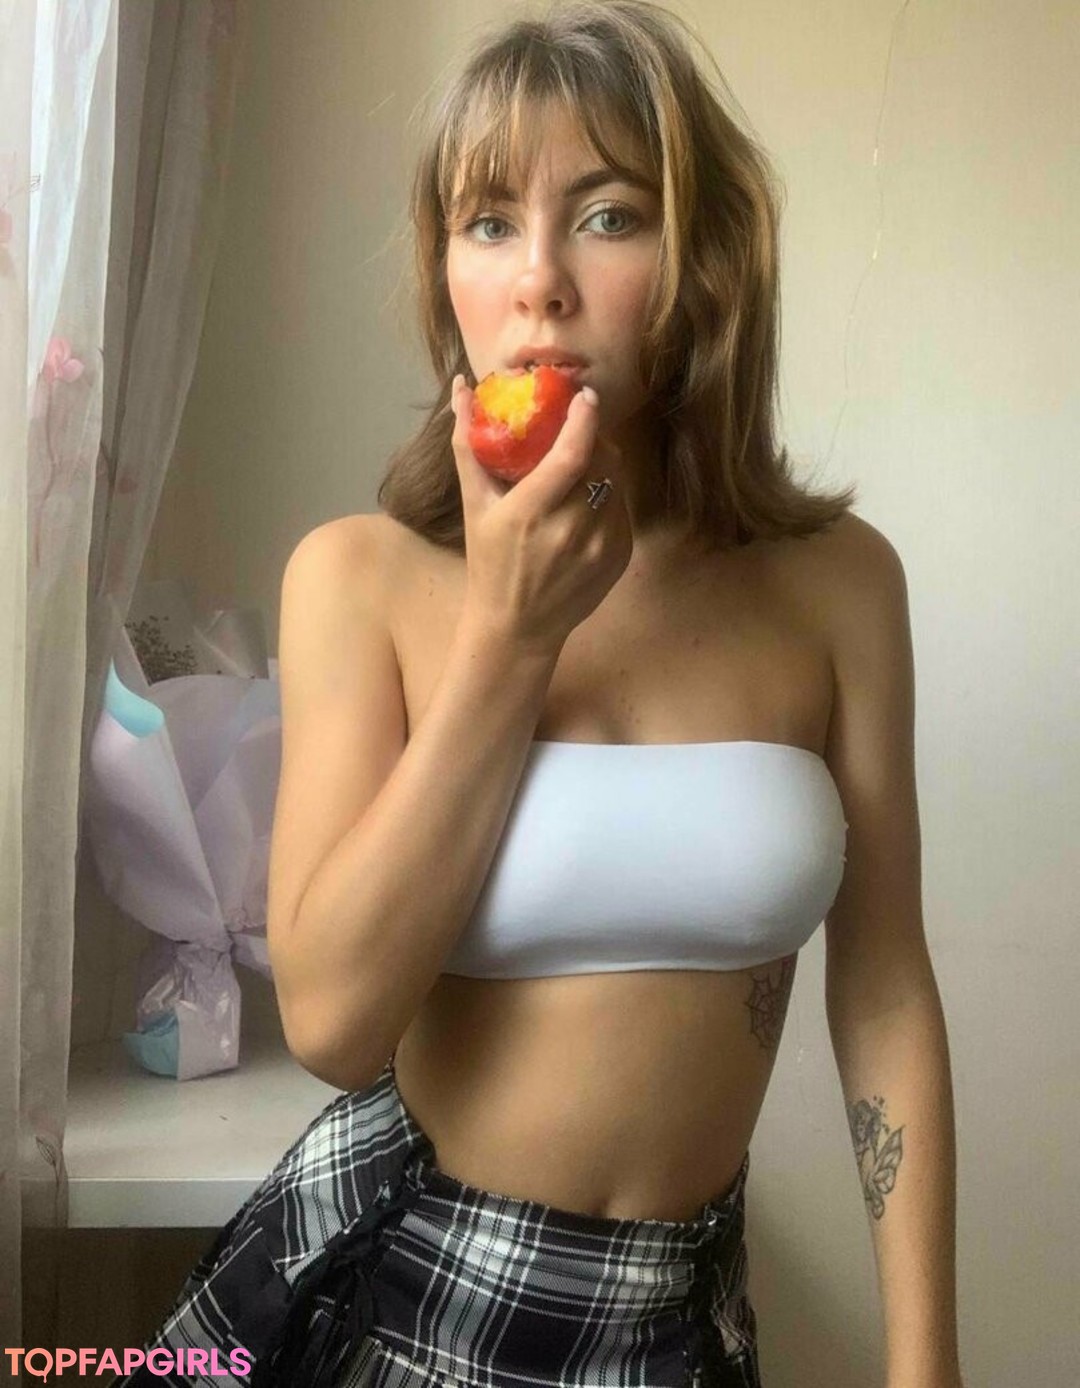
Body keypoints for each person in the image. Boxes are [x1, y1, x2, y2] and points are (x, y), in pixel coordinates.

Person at [114, 2, 963, 1385]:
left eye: (610, 216)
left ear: (706, 260)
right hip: (407, 1292)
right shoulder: (359, 578)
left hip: (683, 1325)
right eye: (490, 222)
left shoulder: (840, 583)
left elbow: (883, 988)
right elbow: (333, 1026)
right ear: (444, 271)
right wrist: (509, 644)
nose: (540, 282)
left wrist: (926, 1361)